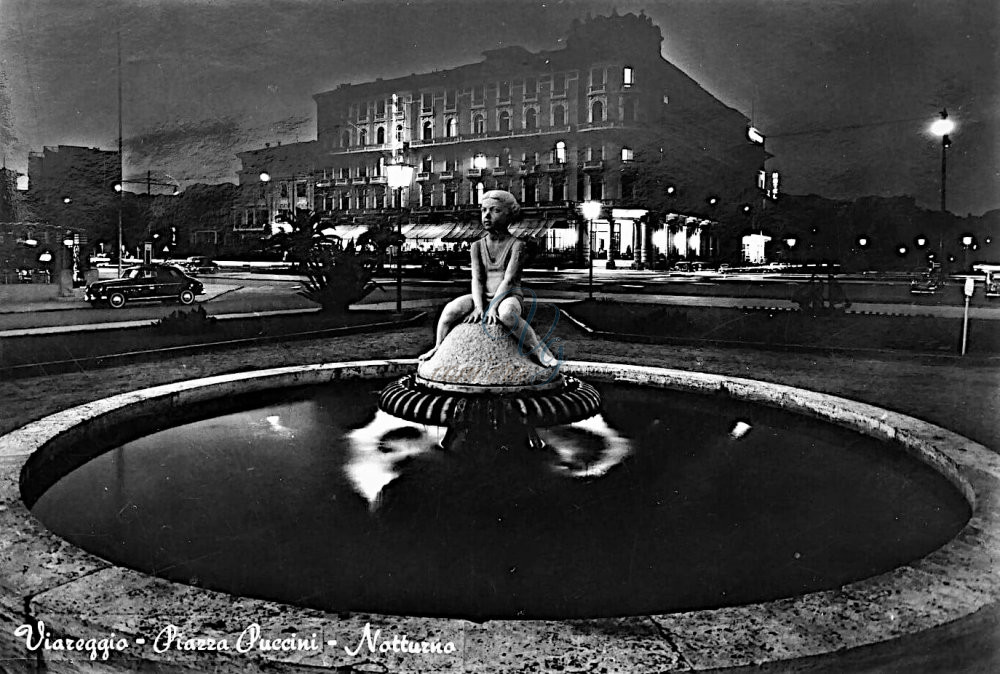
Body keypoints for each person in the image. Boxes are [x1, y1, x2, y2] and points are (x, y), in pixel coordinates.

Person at [419, 190, 559, 367]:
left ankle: (540, 351)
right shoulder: (477, 246)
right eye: (484, 210)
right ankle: (438, 347)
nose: (487, 215)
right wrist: (479, 307)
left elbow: (508, 280)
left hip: (509, 296)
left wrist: (493, 307)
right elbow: (476, 279)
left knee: (507, 314)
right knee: (450, 310)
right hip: (482, 296)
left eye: (495, 211)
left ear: (509, 214)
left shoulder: (517, 245)